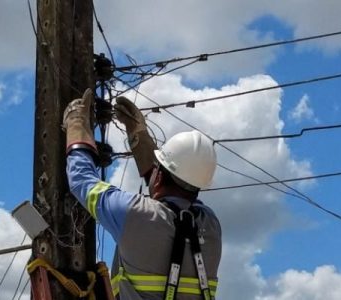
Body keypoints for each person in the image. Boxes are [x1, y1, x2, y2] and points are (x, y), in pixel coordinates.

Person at [63, 89, 222, 299]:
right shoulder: (210, 226)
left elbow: (82, 181)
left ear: (158, 176)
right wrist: (139, 138)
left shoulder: (135, 214)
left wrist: (75, 125)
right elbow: (177, 190)